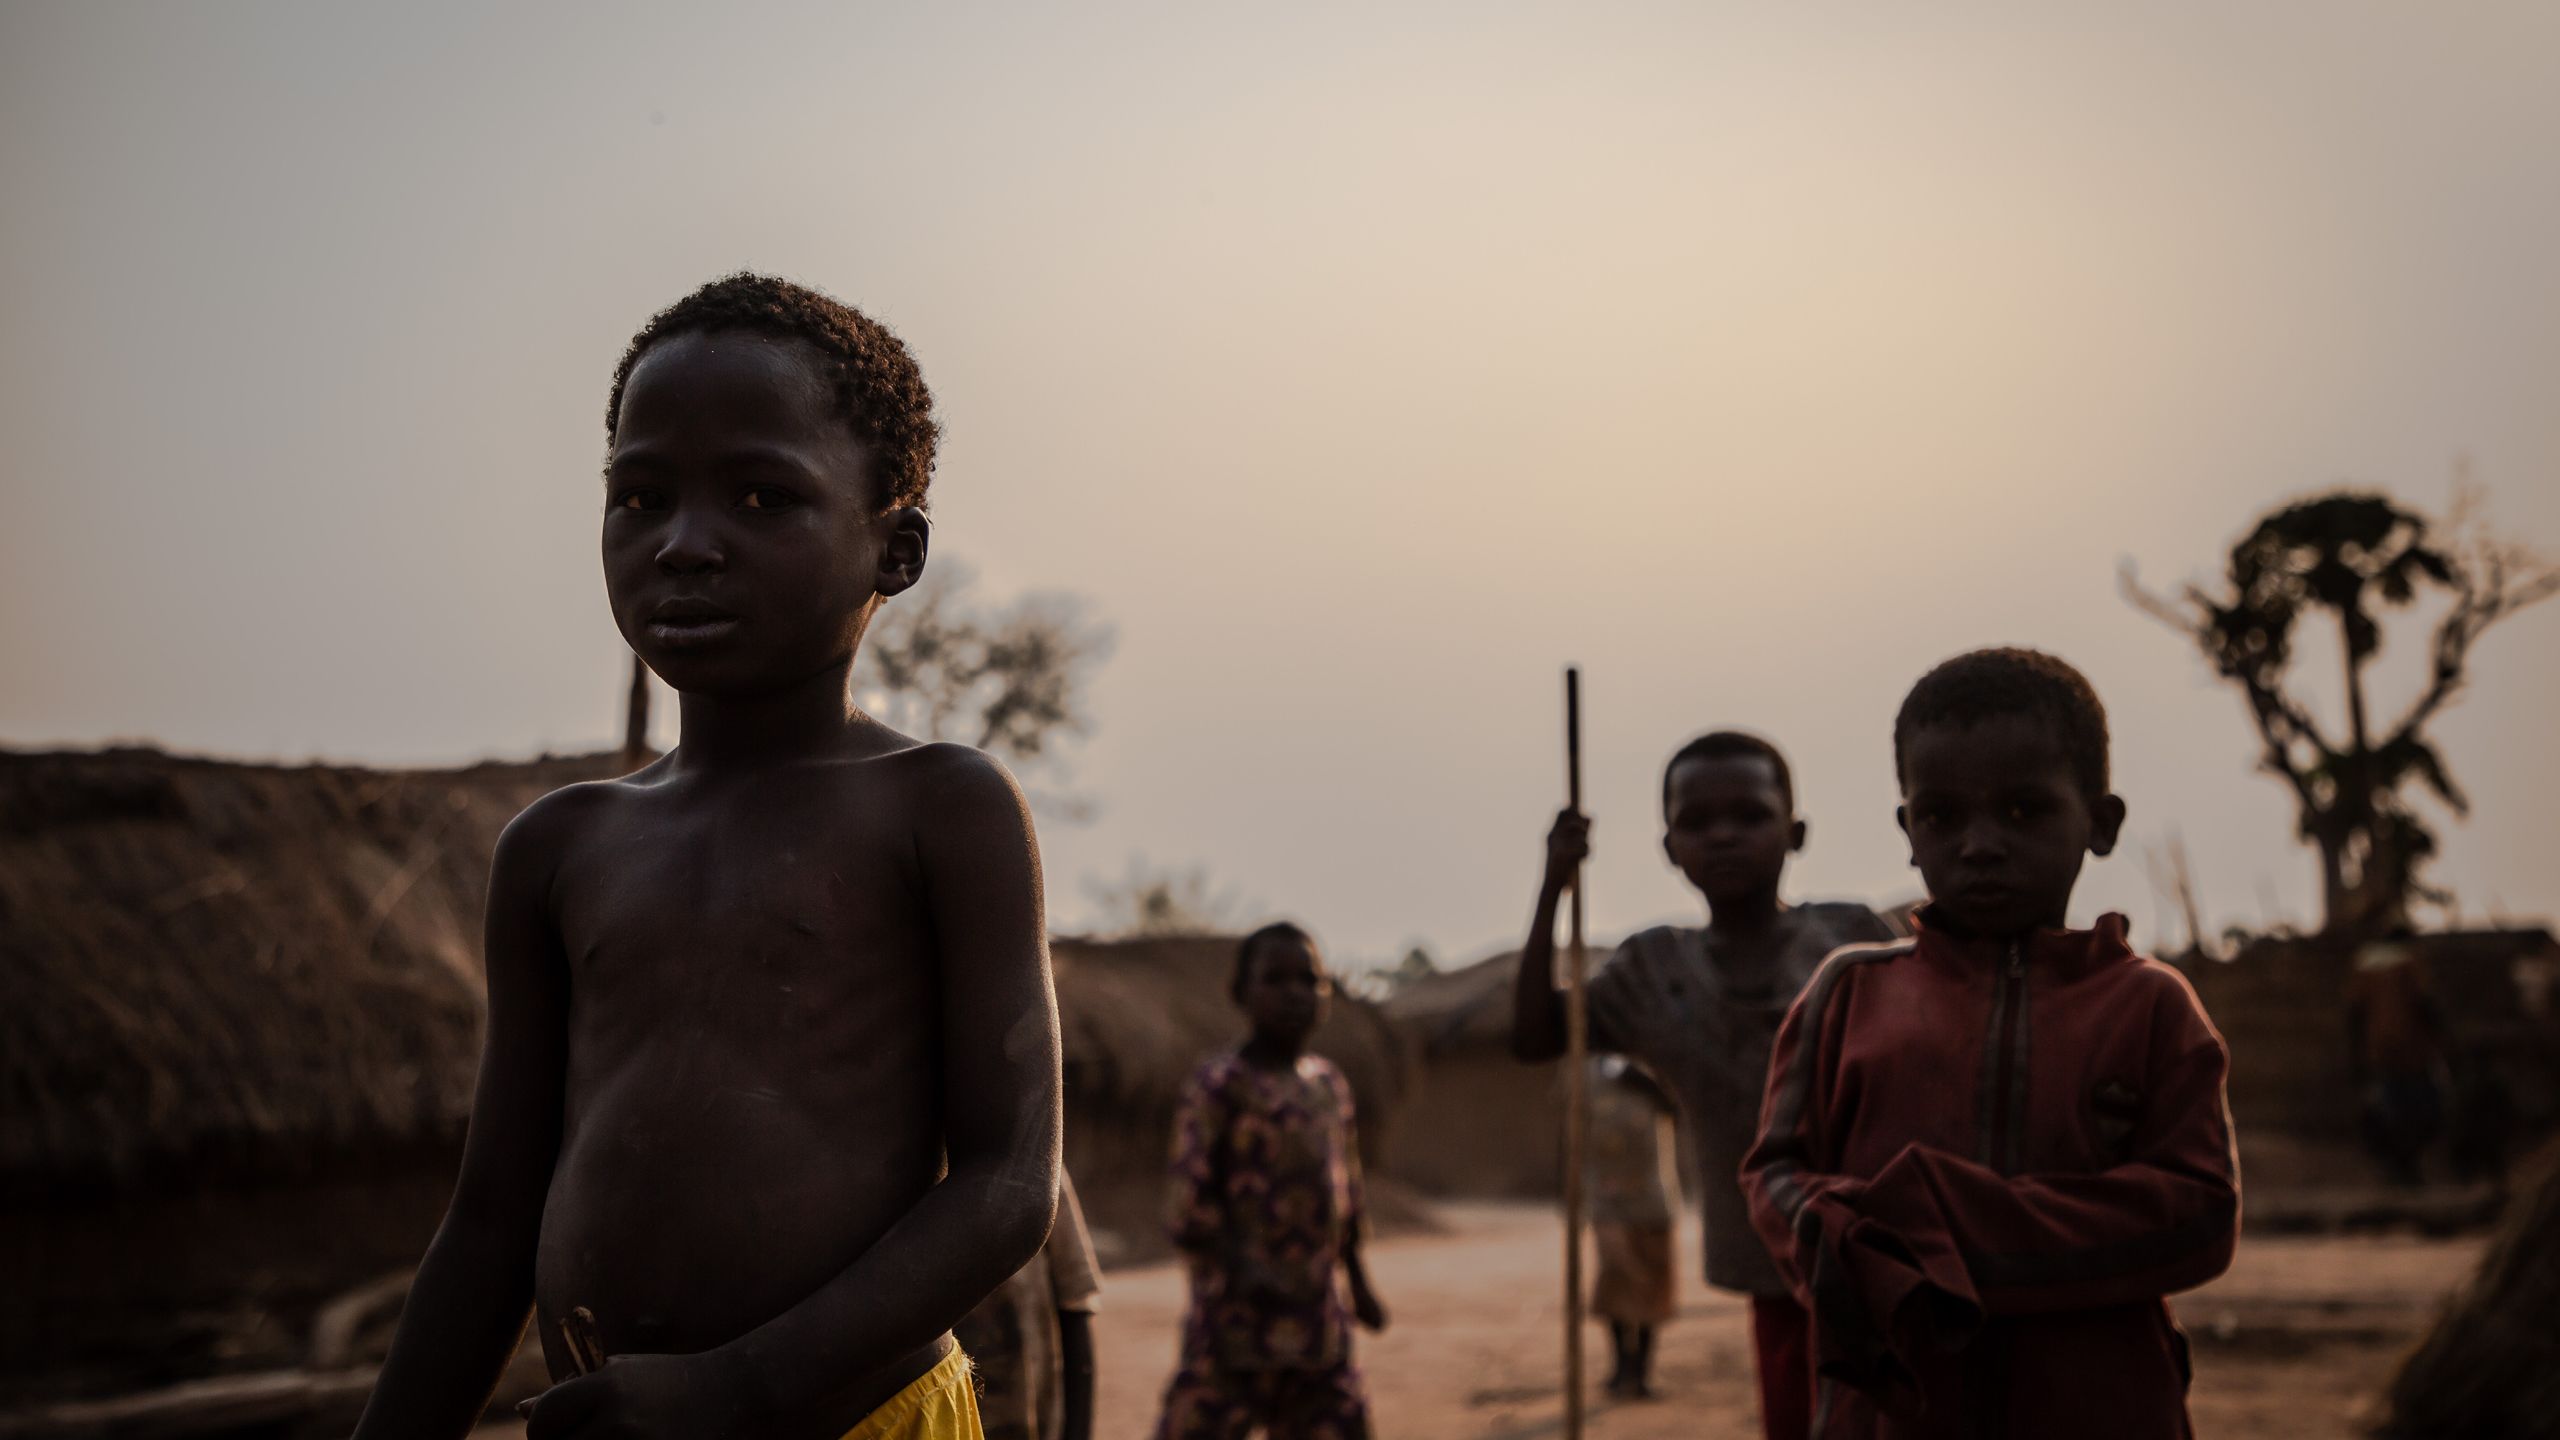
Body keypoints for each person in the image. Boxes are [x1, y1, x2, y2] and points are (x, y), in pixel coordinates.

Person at [351, 274, 1063, 1440]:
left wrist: (736, 1389)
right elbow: (489, 1223)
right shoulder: (557, 848)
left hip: (860, 1420)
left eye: (759, 495)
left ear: (896, 549)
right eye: (640, 496)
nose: (683, 545)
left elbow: (1005, 1188)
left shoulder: (942, 807)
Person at [1741, 647, 2239, 1439]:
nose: (1979, 845)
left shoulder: (2149, 1005)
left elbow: (2202, 1215)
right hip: (1894, 1410)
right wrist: (1843, 1240)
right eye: (1942, 816)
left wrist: (1941, 1229)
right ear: (1909, 831)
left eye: (2022, 810)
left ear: (2101, 824)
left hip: (2098, 1407)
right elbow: (1774, 1173)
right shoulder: (1846, 995)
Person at [1513, 731, 1898, 1440]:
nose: (1723, 837)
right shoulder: (1653, 972)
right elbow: (1537, 1036)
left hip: (1890, 1254)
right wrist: (1552, 886)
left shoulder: (1853, 941)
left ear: (1796, 831)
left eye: (1749, 817)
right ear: (1668, 846)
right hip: (1769, 1262)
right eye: (1697, 822)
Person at [1154, 923, 1388, 1440]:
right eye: (1275, 979)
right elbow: (1188, 1201)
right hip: (1235, 1322)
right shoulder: (1218, 1085)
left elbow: (1346, 1194)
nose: (1295, 994)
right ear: (1241, 993)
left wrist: (1361, 1284)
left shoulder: (1328, 1084)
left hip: (1317, 1319)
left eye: (1310, 980)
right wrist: (1244, 1267)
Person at [956, 1172, 1103, 1440]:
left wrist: (1077, 1432)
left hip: (1033, 1422)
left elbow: (1075, 1306)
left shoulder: (1037, 1161)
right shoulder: (899, 1165)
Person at [1586, 1056, 1681, 1400]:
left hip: (1653, 1199)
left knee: (1651, 1286)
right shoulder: (1587, 1073)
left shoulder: (1656, 1068)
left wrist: (1643, 1079)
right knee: (1616, 1279)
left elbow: (1680, 1110)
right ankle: (1620, 1367)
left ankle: (1640, 1371)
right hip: (1607, 1201)